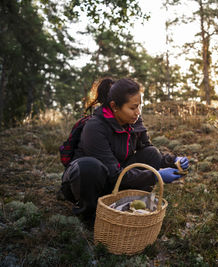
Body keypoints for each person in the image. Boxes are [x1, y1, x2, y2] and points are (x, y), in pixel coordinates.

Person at [60, 77, 189, 224]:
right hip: (85, 183)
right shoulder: (95, 127)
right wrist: (156, 175)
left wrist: (174, 161)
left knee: (151, 153)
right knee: (89, 167)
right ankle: (90, 216)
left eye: (139, 106)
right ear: (115, 106)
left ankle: (132, 206)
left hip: (115, 177)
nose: (138, 112)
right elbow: (114, 174)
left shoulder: (133, 121)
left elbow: (147, 148)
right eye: (133, 108)